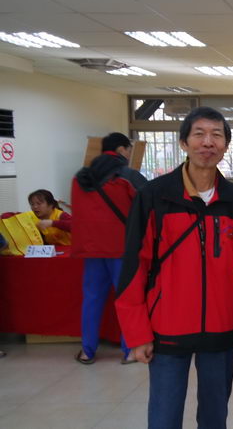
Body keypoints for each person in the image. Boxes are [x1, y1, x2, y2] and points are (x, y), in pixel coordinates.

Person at [115, 106, 233, 428]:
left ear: (226, 145)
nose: (208, 142)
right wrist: (137, 333)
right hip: (167, 328)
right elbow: (134, 267)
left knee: (215, 416)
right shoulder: (155, 196)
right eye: (199, 134)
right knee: (164, 415)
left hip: (222, 328)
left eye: (216, 135)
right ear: (184, 143)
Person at [71, 132, 147, 365]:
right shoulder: (127, 176)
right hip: (121, 249)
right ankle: (129, 350)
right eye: (129, 149)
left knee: (92, 300)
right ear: (122, 150)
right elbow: (147, 205)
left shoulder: (80, 177)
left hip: (91, 249)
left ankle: (87, 351)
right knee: (127, 299)